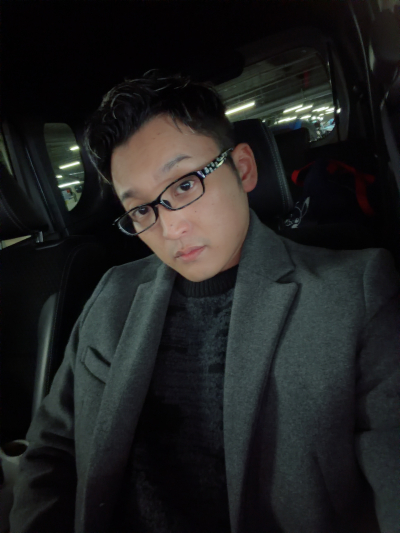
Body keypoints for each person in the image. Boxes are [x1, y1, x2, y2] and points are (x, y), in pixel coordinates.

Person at [10, 71, 400, 533]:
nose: (170, 228)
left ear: (243, 169)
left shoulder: (353, 292)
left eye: (184, 185)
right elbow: (53, 449)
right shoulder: (114, 293)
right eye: (141, 209)